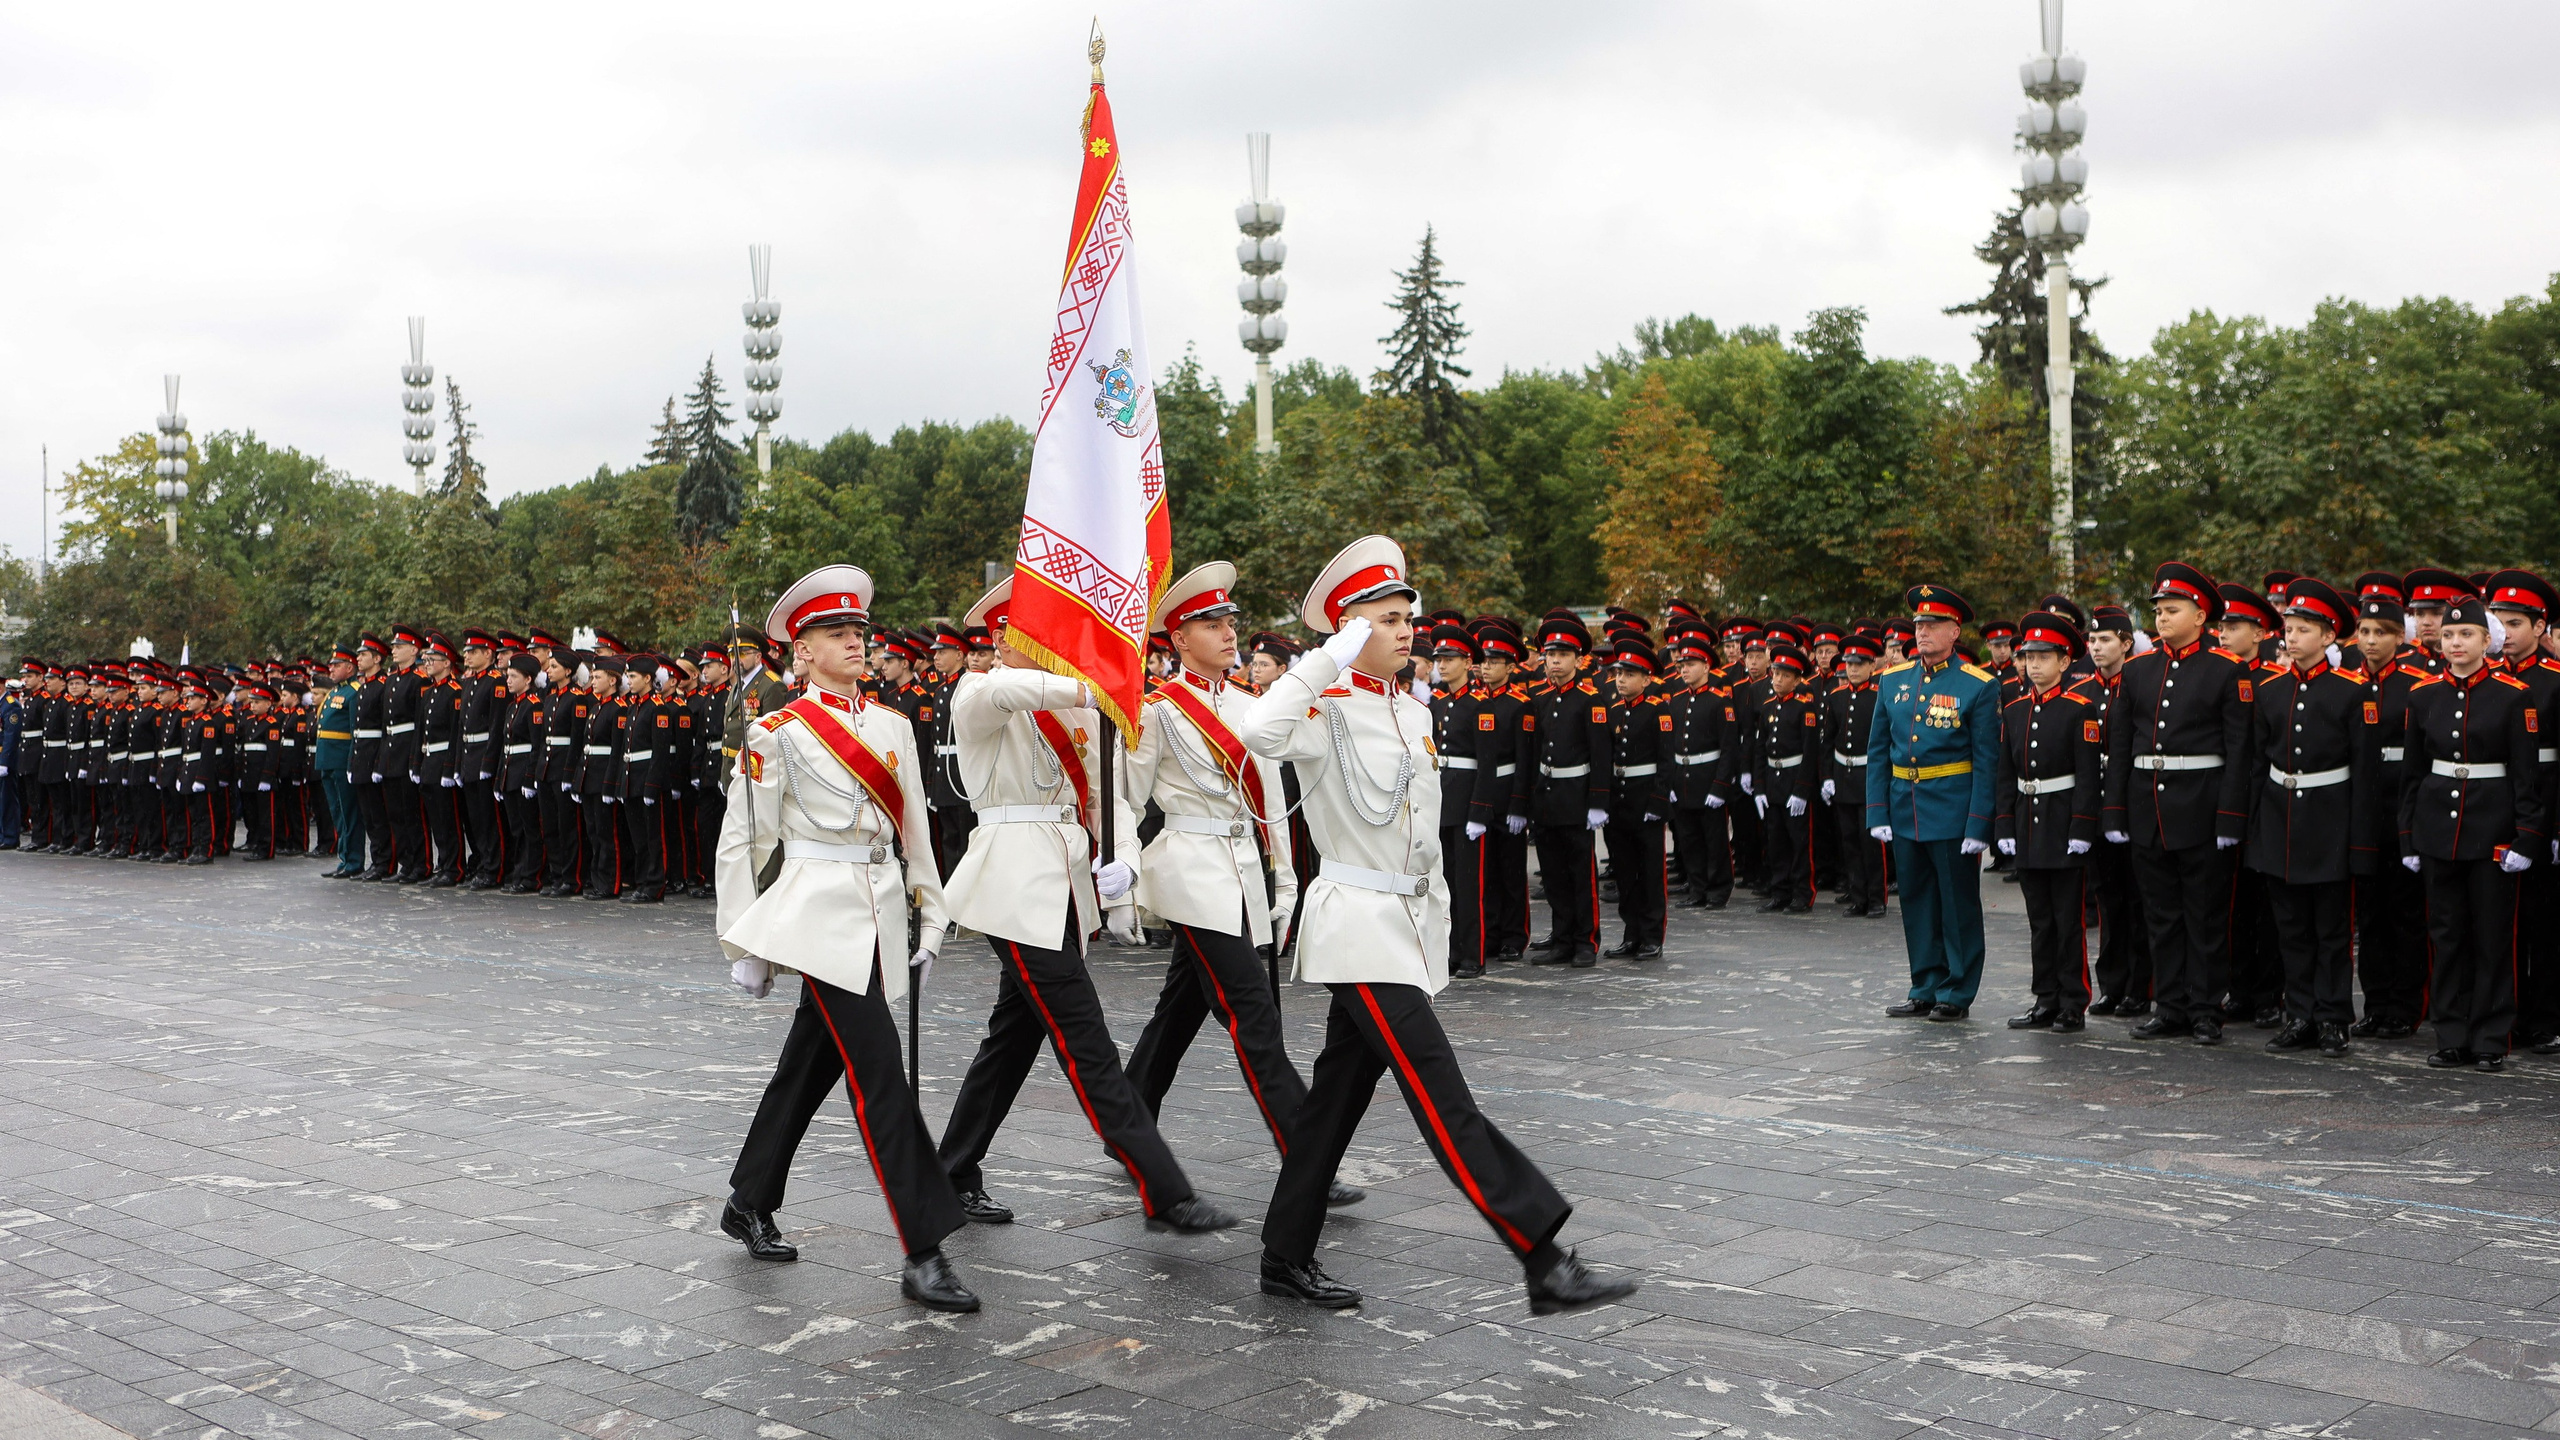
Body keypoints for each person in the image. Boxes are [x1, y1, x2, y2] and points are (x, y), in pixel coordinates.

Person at [1241, 534, 1638, 1315]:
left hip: (1404, 920)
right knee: (1440, 1092)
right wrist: (1326, 658)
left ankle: (1284, 1255)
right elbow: (1257, 733)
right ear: (1351, 628)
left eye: (1404, 617)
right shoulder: (1321, 705)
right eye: (1385, 619)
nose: (1404, 629)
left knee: (1332, 1105)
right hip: (1355, 924)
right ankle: (1542, 1256)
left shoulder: (1409, 706)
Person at [933, 576, 1238, 1236]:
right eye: (1039, 635)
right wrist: (1098, 679)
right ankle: (1164, 1188)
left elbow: (1112, 798)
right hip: (1012, 886)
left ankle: (952, 1170)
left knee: (1012, 1038)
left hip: (1063, 891)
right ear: (1005, 639)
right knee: (1086, 1039)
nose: (1052, 648)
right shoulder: (982, 692)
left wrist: (1125, 853)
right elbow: (1014, 689)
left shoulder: (1079, 709)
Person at [715, 564, 979, 1312]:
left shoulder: (894, 725)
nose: (857, 642)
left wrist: (933, 915)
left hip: (878, 914)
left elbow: (916, 835)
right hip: (814, 919)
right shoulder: (777, 734)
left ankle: (747, 1199)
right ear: (801, 654)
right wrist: (746, 945)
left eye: (860, 631)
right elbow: (743, 842)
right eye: (838, 634)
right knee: (881, 1080)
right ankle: (923, 1249)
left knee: (807, 1067)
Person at [1116, 564, 1364, 1207]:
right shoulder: (1158, 710)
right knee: (1254, 1013)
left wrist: (1284, 882)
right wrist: (1120, 881)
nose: (1228, 633)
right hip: (1191, 870)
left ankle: (1129, 1118)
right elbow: (1125, 800)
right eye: (1209, 623)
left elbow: (1271, 805)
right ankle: (1307, 1154)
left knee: (1180, 1010)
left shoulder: (1253, 708)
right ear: (1177, 639)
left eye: (1228, 621)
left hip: (1246, 874)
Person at [2102, 563, 2257, 1046]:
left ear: (2201, 615)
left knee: (2206, 915)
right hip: (2148, 808)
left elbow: (2239, 750)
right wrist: (2115, 812)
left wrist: (2231, 815)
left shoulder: (2228, 669)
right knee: (2161, 915)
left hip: (2203, 808)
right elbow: (2122, 746)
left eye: (2173, 610)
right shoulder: (2138, 670)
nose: (2163, 618)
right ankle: (2169, 1005)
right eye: (2159, 611)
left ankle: (2206, 1008)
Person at [2400, 591, 2544, 1071]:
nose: (2456, 643)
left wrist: (2526, 836)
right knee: (2447, 935)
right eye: (2448, 635)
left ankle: (2489, 1037)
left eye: (2466, 634)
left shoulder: (2513, 696)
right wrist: (2409, 836)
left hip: (2492, 833)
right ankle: (2452, 1035)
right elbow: (2414, 774)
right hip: (2438, 831)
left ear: (2488, 640)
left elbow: (2527, 774)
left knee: (2492, 937)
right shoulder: (2422, 696)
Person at [2243, 577, 2380, 1057]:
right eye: (2289, 628)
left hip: (2330, 825)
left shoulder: (2352, 691)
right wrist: (2255, 830)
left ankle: (2333, 1018)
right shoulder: (2271, 689)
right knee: (2291, 929)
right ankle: (2299, 1014)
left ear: (2328, 637)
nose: (2293, 637)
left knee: (2331, 930)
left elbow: (2365, 776)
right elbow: (2260, 764)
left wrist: (2360, 843)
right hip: (2280, 822)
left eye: (2305, 629)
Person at [1866, 584, 2001, 1021]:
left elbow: (1986, 760)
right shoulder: (1892, 680)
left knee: (1957, 906)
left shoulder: (1978, 685)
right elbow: (1878, 752)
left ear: (1954, 631)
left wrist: (1979, 823)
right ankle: (1924, 983)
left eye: (1933, 624)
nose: (1922, 632)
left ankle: (1956, 991)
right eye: (1919, 624)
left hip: (1951, 809)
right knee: (1918, 903)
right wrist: (1877, 811)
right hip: (1905, 807)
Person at [1993, 612, 2101, 1030]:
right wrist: (2003, 826)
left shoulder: (2080, 708)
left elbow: (2089, 776)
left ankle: (2073, 1000)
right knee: (2039, 920)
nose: (2033, 664)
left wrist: (2081, 827)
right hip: (2028, 824)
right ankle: (2045, 998)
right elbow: (2006, 773)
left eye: (2043, 656)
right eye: (2028, 656)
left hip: (2062, 824)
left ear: (2064, 661)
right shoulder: (2016, 709)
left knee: (2067, 919)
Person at [1517, 614, 1613, 968]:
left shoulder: (1591, 699)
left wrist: (1598, 800)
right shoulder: (1539, 698)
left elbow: (1601, 753)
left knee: (1580, 874)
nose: (1554, 661)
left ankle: (1585, 940)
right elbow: (1535, 750)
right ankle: (1561, 938)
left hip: (1577, 794)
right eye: (1550, 654)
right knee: (1554, 874)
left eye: (1562, 654)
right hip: (1547, 795)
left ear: (1577, 659)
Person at [2076, 607, 2151, 1016]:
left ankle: (2141, 986)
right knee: (2108, 900)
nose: (2096, 647)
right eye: (2092, 640)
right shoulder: (2085, 691)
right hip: (2097, 806)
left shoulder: (2138, 685)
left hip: (2133, 804)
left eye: (2105, 640)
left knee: (2138, 899)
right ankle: (2113, 984)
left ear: (2125, 643)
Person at [1820, 631, 1886, 917]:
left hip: (1869, 774)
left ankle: (1877, 898)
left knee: (1870, 841)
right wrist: (1827, 777)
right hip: (1843, 775)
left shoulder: (1880, 695)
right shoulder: (1836, 697)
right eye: (1849, 664)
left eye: (1860, 664)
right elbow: (1827, 740)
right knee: (1849, 840)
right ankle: (1858, 897)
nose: (1853, 669)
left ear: (1872, 666)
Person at [1751, 641, 1820, 914]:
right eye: (1775, 674)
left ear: (1797, 679)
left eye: (1785, 675)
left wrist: (1802, 789)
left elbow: (1810, 750)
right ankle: (1780, 891)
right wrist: (1759, 787)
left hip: (1794, 777)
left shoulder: (1806, 708)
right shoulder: (1767, 707)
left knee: (1799, 840)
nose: (1778, 680)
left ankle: (1803, 894)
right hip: (1772, 778)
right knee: (1775, 839)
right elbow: (1760, 749)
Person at [499, 653, 547, 893]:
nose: (508, 680)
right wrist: (500, 780)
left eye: (513, 676)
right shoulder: (513, 706)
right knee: (516, 828)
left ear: (528, 679)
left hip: (523, 772)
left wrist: (530, 778)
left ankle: (531, 876)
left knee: (530, 829)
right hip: (510, 772)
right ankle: (519, 873)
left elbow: (536, 746)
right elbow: (505, 745)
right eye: (508, 675)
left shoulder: (534, 706)